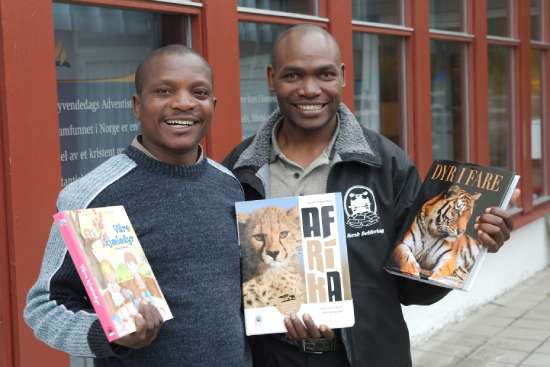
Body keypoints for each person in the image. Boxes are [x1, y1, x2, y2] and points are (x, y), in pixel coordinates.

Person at [223, 24, 517, 367]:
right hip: (270, 358)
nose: (310, 89)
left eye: (325, 74)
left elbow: (412, 288)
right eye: (293, 75)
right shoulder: (239, 170)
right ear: (272, 78)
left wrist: (472, 244)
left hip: (367, 356)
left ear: (343, 76)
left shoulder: (387, 164)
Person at [24, 45, 251, 367]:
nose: (183, 103)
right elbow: (44, 307)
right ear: (137, 105)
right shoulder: (90, 196)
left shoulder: (229, 185)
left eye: (198, 93)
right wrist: (109, 333)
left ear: (212, 106)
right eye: (163, 91)